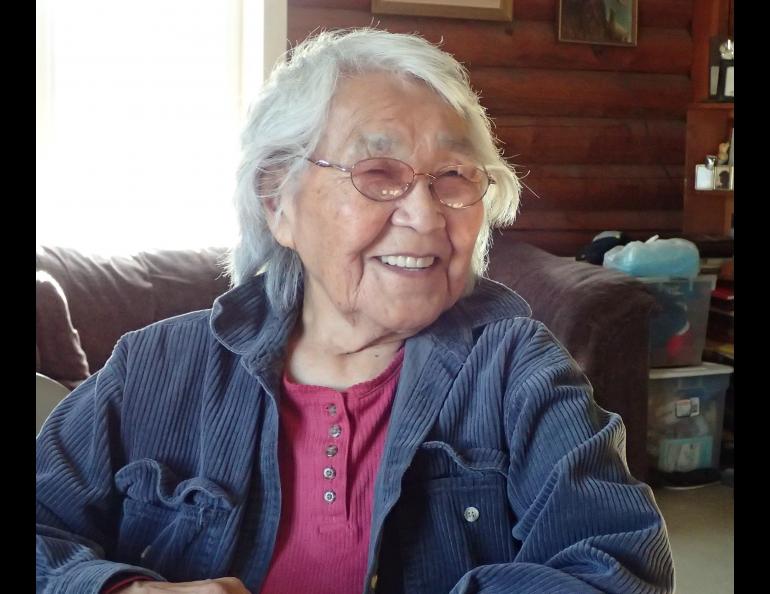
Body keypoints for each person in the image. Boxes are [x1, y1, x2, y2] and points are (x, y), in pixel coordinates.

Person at [36, 29, 674, 594]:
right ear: (277, 202)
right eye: (377, 172)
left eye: (453, 176)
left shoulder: (516, 371)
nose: (424, 217)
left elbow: (616, 565)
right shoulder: (154, 369)